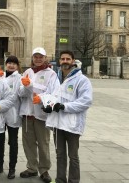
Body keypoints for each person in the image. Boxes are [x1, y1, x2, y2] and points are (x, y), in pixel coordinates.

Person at [45, 50, 93, 183]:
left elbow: (86, 101)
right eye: (62, 59)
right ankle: (60, 180)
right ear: (59, 61)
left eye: (68, 59)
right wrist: (47, 106)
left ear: (73, 61)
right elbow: (50, 95)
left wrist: (64, 107)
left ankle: (73, 181)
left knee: (73, 156)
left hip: (72, 124)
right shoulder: (56, 78)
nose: (65, 61)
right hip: (57, 123)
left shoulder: (82, 80)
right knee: (60, 154)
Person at [18, 47, 60, 183]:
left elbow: (54, 92)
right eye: (35, 56)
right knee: (28, 143)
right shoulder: (27, 72)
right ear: (32, 58)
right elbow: (20, 93)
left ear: (45, 58)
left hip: (41, 114)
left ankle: (44, 169)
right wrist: (25, 87)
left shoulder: (51, 74)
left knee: (43, 143)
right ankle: (31, 167)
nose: (38, 59)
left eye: (40, 57)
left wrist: (41, 98)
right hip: (27, 114)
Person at [0, 56, 22, 179]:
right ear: (6, 64)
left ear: (17, 66)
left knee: (13, 142)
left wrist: (27, 86)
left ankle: (11, 168)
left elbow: (19, 94)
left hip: (12, 113)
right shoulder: (0, 77)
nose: (11, 65)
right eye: (9, 63)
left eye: (14, 63)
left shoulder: (19, 78)